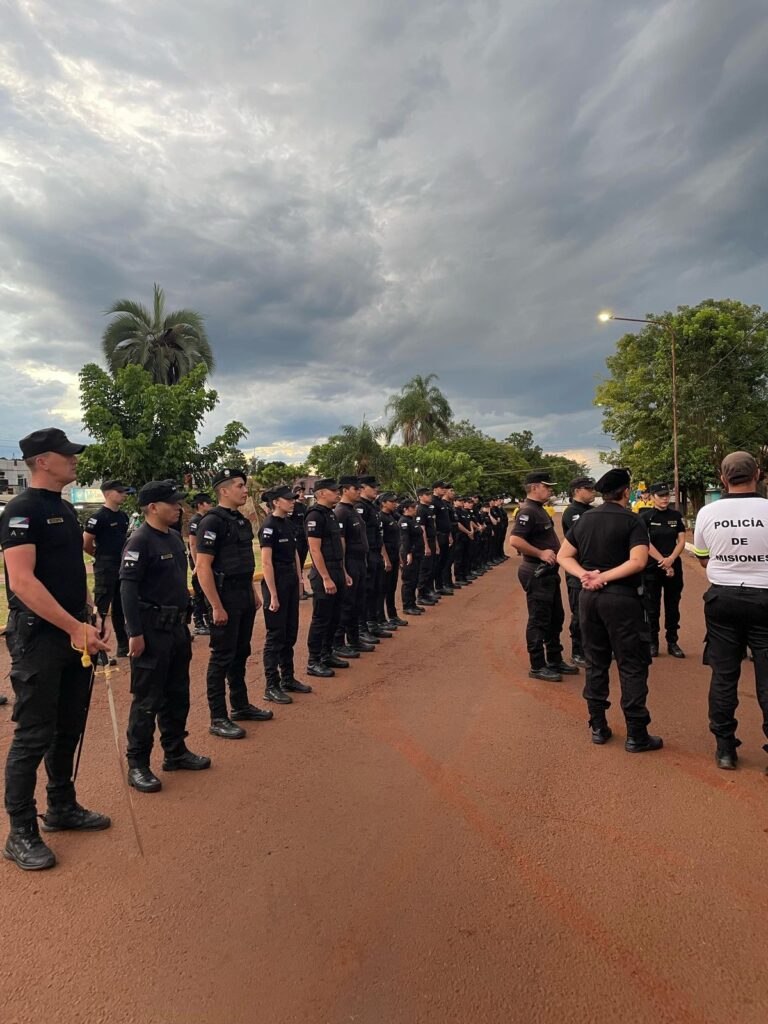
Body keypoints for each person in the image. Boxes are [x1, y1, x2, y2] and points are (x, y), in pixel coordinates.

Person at [1, 428, 109, 871]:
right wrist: (72, 627)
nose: (75, 461)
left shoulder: (64, 508)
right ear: (43, 461)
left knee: (69, 726)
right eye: (68, 455)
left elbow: (69, 571)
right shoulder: (20, 510)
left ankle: (61, 806)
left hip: (71, 631)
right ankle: (20, 830)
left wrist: (87, 613)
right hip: (39, 637)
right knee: (33, 734)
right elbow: (22, 582)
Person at [557, 467, 662, 753]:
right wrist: (603, 576)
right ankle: (636, 734)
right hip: (622, 599)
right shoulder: (633, 520)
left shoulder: (585, 518)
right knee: (631, 664)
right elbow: (638, 561)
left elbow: (563, 555)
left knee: (596, 661)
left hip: (589, 599)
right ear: (626, 492)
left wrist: (585, 575)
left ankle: (599, 727)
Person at [120, 480, 211, 792]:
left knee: (177, 694)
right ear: (153, 507)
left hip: (176, 629)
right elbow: (127, 590)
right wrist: (134, 633)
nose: (178, 507)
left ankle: (175, 752)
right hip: (151, 630)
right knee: (147, 700)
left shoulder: (173, 537)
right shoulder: (139, 541)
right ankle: (137, 764)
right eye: (172, 503)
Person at [692, 451, 768, 771]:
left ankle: (725, 748)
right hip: (764, 598)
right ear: (758, 474)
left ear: (723, 479)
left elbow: (702, 556)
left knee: (724, 676)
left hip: (722, 599)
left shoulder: (707, 512)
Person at [194, 468, 270, 741]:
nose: (245, 490)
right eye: (239, 485)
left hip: (243, 594)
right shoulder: (211, 522)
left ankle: (240, 705)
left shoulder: (239, 521)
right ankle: (218, 717)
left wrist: (253, 593)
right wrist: (215, 606)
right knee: (221, 657)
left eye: (244, 485)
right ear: (223, 490)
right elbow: (203, 567)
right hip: (224, 597)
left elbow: (242, 563)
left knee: (241, 652)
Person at [509, 472, 577, 682]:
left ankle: (555, 659)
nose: (550, 490)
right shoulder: (527, 511)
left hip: (548, 573)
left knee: (555, 618)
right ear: (535, 487)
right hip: (535, 571)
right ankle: (537, 665)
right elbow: (515, 540)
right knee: (539, 620)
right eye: (547, 487)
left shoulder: (538, 509)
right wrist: (540, 553)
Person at [258, 486, 312, 704]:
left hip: (290, 581)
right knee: (275, 637)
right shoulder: (268, 527)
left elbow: (296, 556)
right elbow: (266, 562)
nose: (293, 502)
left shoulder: (288, 524)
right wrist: (273, 594)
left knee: (290, 632)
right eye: (288, 499)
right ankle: (271, 685)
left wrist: (300, 580)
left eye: (293, 499)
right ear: (275, 502)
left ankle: (288, 678)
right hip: (276, 583)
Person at [83, 480, 134, 665]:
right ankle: (98, 651)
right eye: (120, 492)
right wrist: (97, 554)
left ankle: (122, 645)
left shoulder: (123, 516)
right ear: (107, 493)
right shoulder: (98, 517)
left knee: (121, 606)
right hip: (105, 565)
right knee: (101, 609)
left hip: (120, 565)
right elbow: (86, 542)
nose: (124, 495)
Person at [305, 479, 351, 677]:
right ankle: (313, 660)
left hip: (337, 570)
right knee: (321, 618)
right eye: (333, 491)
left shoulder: (330, 513)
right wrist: (325, 577)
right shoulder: (314, 515)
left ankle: (327, 654)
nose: (337, 493)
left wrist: (343, 572)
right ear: (321, 493)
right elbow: (314, 550)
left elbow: (338, 548)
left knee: (335, 616)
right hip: (324, 573)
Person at [637, 483, 687, 658]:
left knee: (672, 606)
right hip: (653, 567)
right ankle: (653, 642)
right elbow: (645, 542)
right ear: (652, 497)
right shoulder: (645, 516)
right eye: (660, 495)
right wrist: (663, 562)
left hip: (673, 565)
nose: (665, 498)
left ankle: (672, 641)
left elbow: (681, 541)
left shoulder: (675, 515)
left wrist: (671, 559)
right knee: (652, 608)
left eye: (667, 495)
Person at [332, 476, 372, 656]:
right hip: (350, 562)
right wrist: (344, 569)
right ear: (346, 490)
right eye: (356, 489)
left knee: (358, 602)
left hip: (359, 562)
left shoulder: (353, 510)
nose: (359, 491)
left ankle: (354, 639)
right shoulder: (341, 511)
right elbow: (341, 542)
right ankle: (339, 642)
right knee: (346, 604)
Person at [561, 476, 596, 667]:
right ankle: (577, 651)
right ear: (577, 491)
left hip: (594, 569)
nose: (593, 492)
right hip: (577, 569)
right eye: (589, 489)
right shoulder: (572, 512)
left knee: (595, 612)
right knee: (579, 612)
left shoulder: (591, 511)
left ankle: (593, 648)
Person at [357, 476, 393, 639]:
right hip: (367, 553)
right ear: (362, 488)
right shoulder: (360, 507)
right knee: (366, 592)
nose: (376, 489)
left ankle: (372, 623)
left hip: (376, 553)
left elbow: (378, 534)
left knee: (376, 590)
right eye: (372, 487)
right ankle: (362, 628)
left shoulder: (371, 507)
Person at [378, 491, 408, 627]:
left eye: (395, 501)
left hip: (395, 555)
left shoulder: (392, 516)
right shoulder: (380, 517)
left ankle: (393, 615)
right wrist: (386, 559)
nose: (395, 504)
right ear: (383, 503)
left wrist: (399, 557)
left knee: (392, 587)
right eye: (392, 501)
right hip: (386, 557)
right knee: (382, 589)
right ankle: (381, 618)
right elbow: (380, 541)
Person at [187, 491, 214, 636]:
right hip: (197, 560)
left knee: (206, 590)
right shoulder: (195, 520)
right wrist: (197, 564)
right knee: (199, 592)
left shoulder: (207, 519)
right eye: (208, 503)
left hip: (205, 560)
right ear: (200, 505)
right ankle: (198, 623)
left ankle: (208, 619)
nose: (211, 505)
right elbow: (192, 544)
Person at [399, 496, 425, 615]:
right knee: (408, 581)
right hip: (410, 555)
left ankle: (412, 603)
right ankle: (407, 606)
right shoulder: (404, 521)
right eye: (413, 507)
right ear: (405, 509)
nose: (415, 509)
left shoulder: (411, 519)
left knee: (414, 579)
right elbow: (405, 540)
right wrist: (408, 553)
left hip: (417, 554)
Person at [415, 487, 439, 605]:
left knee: (430, 568)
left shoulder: (428, 509)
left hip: (432, 541)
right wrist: (426, 546)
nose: (430, 496)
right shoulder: (420, 509)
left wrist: (436, 544)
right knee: (424, 570)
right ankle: (421, 595)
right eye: (427, 494)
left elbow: (432, 527)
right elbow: (422, 529)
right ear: (420, 497)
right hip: (426, 542)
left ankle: (427, 592)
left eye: (430, 494)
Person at [431, 481, 454, 596]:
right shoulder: (433, 502)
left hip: (445, 535)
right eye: (442, 488)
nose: (444, 489)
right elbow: (433, 522)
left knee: (443, 561)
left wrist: (449, 535)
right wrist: (435, 539)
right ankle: (436, 587)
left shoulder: (442, 502)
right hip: (439, 535)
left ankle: (440, 586)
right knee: (437, 562)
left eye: (445, 488)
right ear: (435, 489)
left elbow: (447, 521)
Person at [290, 483, 311, 599]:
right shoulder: (292, 507)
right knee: (295, 566)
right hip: (296, 539)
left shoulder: (304, 507)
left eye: (303, 492)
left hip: (304, 539)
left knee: (301, 565)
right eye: (299, 492)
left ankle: (302, 589)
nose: (301, 494)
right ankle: (297, 591)